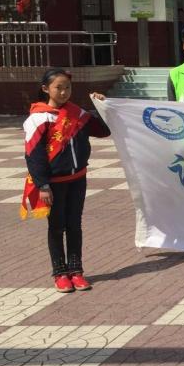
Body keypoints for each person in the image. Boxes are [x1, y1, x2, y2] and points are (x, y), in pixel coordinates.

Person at [22, 69, 110, 292]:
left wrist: (102, 106)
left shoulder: (77, 113)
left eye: (67, 87)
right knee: (56, 227)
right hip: (53, 184)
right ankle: (60, 273)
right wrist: (43, 185)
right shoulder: (38, 118)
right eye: (58, 88)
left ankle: (76, 271)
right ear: (46, 89)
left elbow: (103, 131)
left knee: (74, 225)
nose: (64, 92)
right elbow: (34, 155)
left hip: (77, 179)